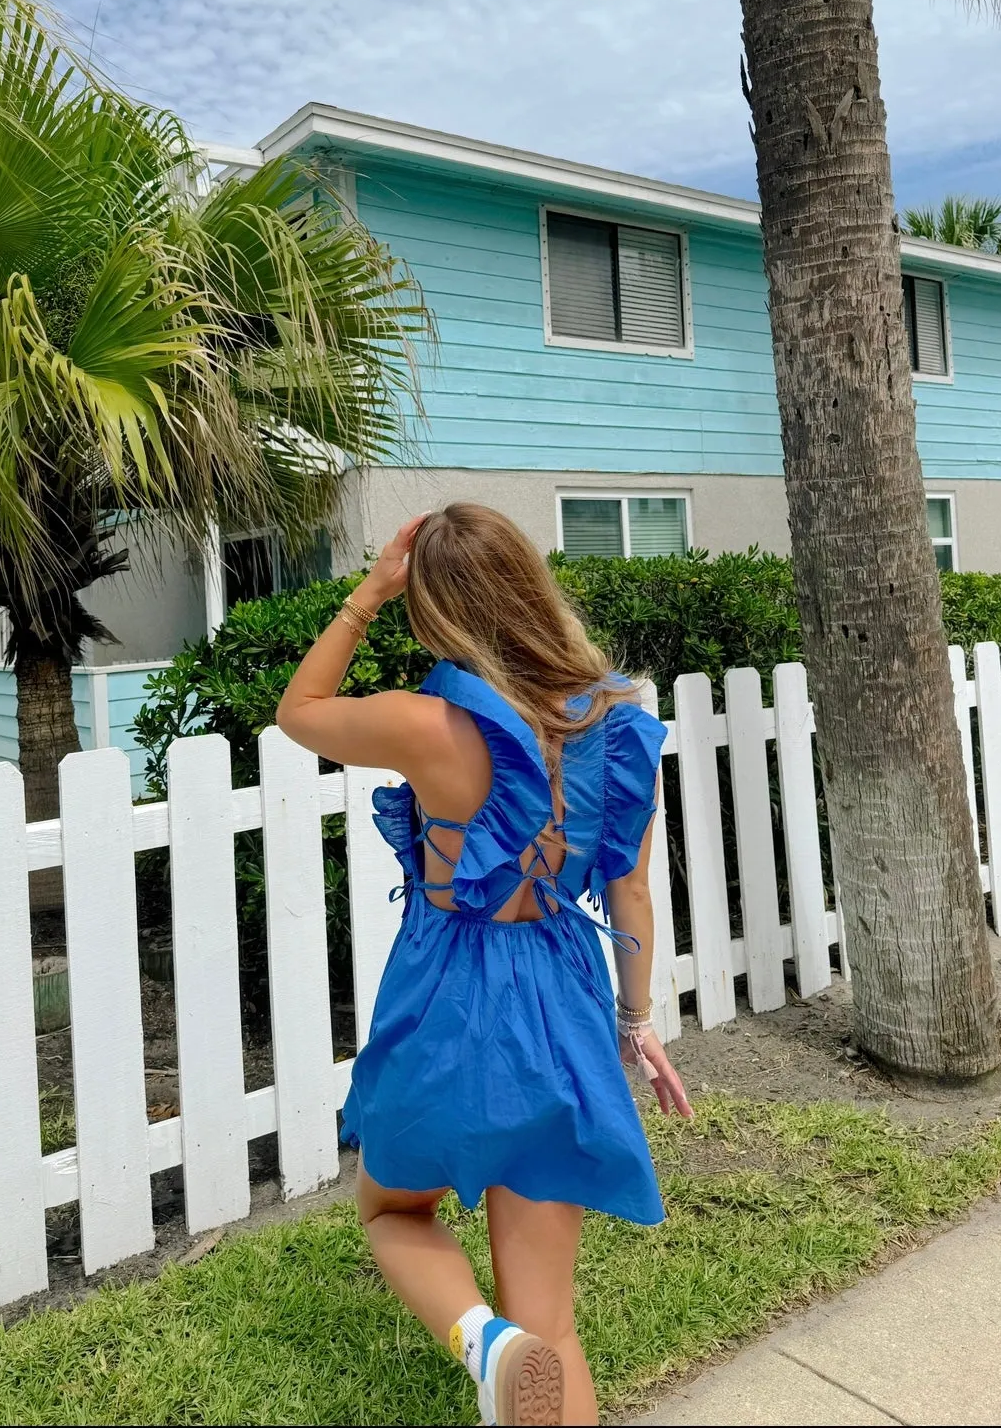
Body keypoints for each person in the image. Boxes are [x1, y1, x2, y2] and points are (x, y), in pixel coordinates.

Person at [277, 503, 693, 1427]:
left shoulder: (426, 726)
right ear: (532, 587)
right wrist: (637, 1022)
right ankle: (521, 1345)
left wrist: (369, 592)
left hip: (452, 995)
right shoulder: (620, 727)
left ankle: (483, 1343)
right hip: (563, 993)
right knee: (554, 1320)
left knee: (392, 1209)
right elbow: (628, 895)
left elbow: (297, 712)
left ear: (437, 611)